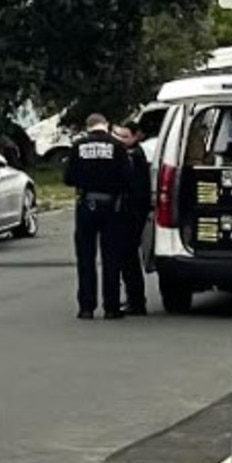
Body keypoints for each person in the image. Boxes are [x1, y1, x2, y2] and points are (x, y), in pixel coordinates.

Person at [64, 113, 134, 320]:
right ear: (107, 125)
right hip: (112, 207)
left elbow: (68, 178)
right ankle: (111, 307)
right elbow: (128, 179)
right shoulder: (117, 147)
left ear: (88, 127)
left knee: (86, 258)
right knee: (111, 257)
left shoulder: (78, 146)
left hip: (86, 205)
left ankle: (86, 307)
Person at [114, 122, 151, 316]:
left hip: (132, 214)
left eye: (125, 137)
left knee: (128, 258)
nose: (120, 140)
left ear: (136, 136)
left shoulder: (134, 157)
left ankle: (136, 301)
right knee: (127, 258)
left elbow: (134, 188)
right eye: (118, 136)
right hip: (132, 212)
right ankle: (134, 298)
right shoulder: (131, 155)